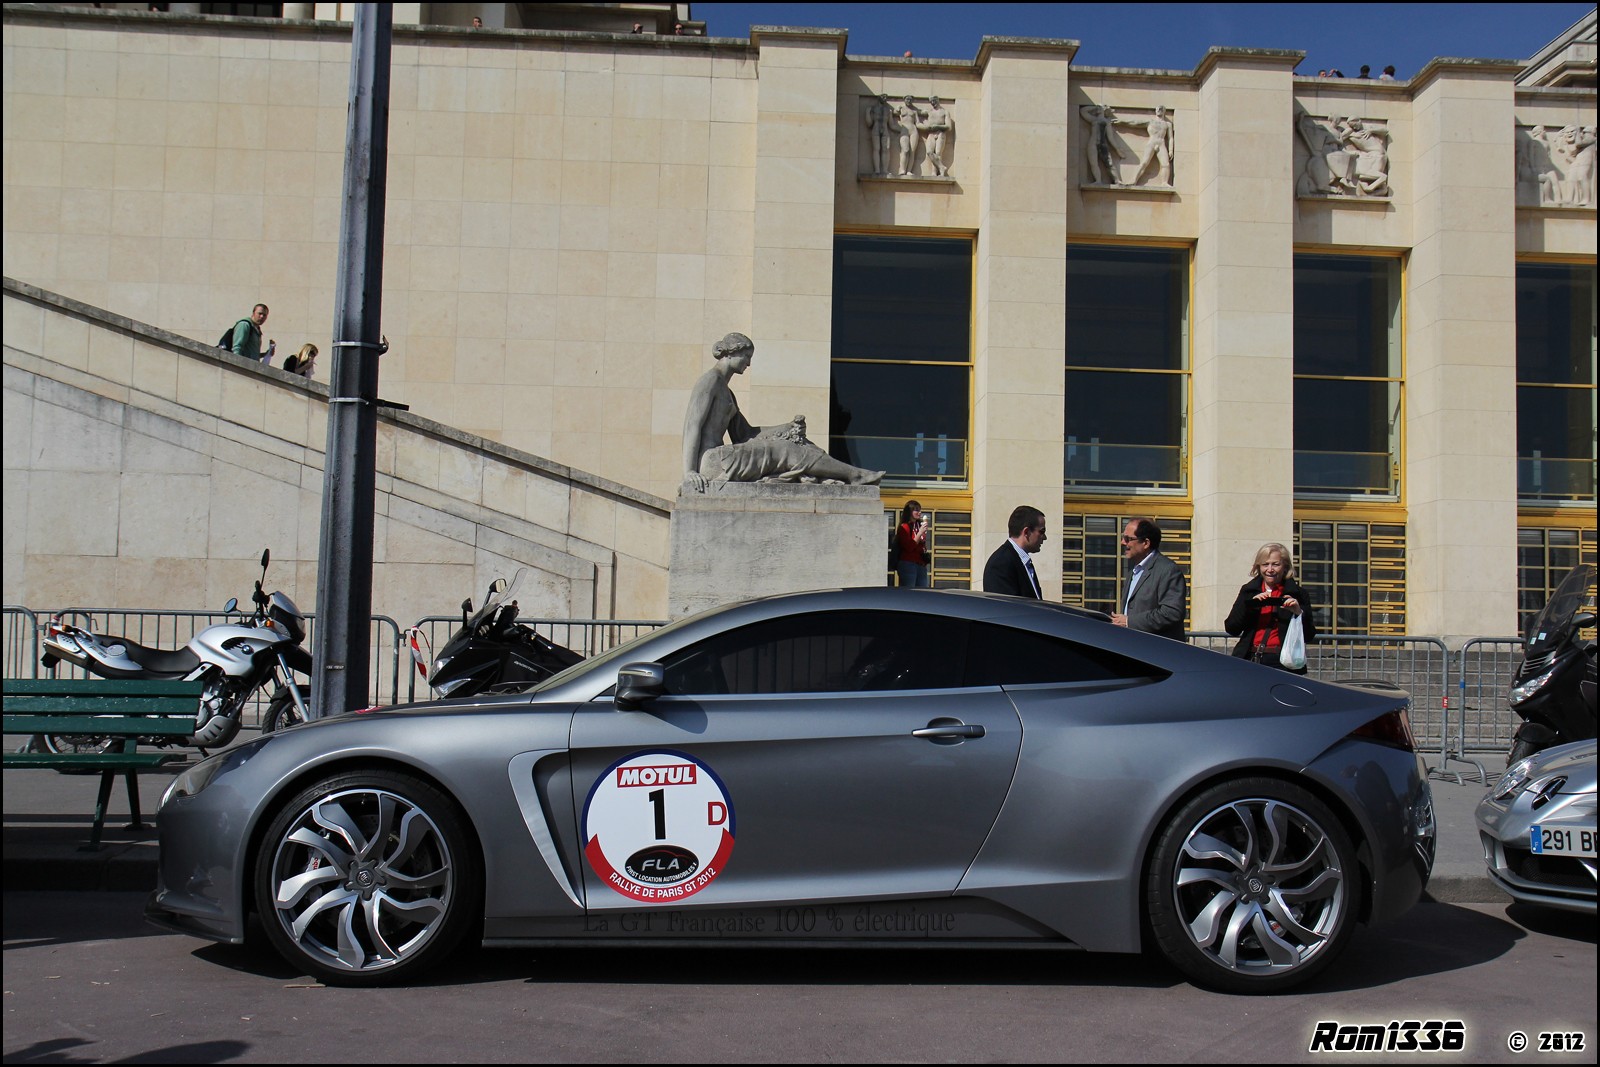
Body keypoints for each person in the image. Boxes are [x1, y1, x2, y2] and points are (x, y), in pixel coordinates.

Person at [681, 333, 884, 492]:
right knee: (784, 451)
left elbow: (745, 434)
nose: (749, 363)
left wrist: (788, 428)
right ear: (732, 352)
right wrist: (689, 471)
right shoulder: (710, 381)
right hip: (713, 463)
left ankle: (848, 474)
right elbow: (692, 426)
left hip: (725, 459)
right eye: (746, 356)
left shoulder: (727, 393)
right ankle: (853, 475)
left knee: (795, 443)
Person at [1224, 542, 1316, 673]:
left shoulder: (1299, 594)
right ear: (1258, 567)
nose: (1270, 569)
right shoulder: (1249, 591)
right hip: (1251, 658)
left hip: (1284, 662)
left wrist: (1298, 613)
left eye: (1275, 564)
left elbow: (1309, 636)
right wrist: (1249, 607)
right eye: (1265, 564)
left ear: (1285, 566)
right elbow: (1231, 628)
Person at [1110, 517, 1186, 640]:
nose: (1122, 543)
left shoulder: (1168, 570)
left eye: (1128, 539)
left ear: (1146, 543)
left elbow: (1172, 613)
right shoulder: (1133, 571)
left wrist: (1130, 622)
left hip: (1155, 652)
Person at [981, 506, 1046, 599]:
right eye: (1042, 531)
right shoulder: (1001, 563)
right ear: (1026, 532)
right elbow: (1006, 609)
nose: (1044, 537)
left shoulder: (1023, 561)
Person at [894, 500, 931, 588]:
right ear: (910, 512)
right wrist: (920, 533)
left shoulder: (918, 525)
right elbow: (909, 547)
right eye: (916, 510)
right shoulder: (904, 527)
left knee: (923, 591)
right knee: (909, 591)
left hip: (921, 564)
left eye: (920, 510)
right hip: (908, 564)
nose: (919, 512)